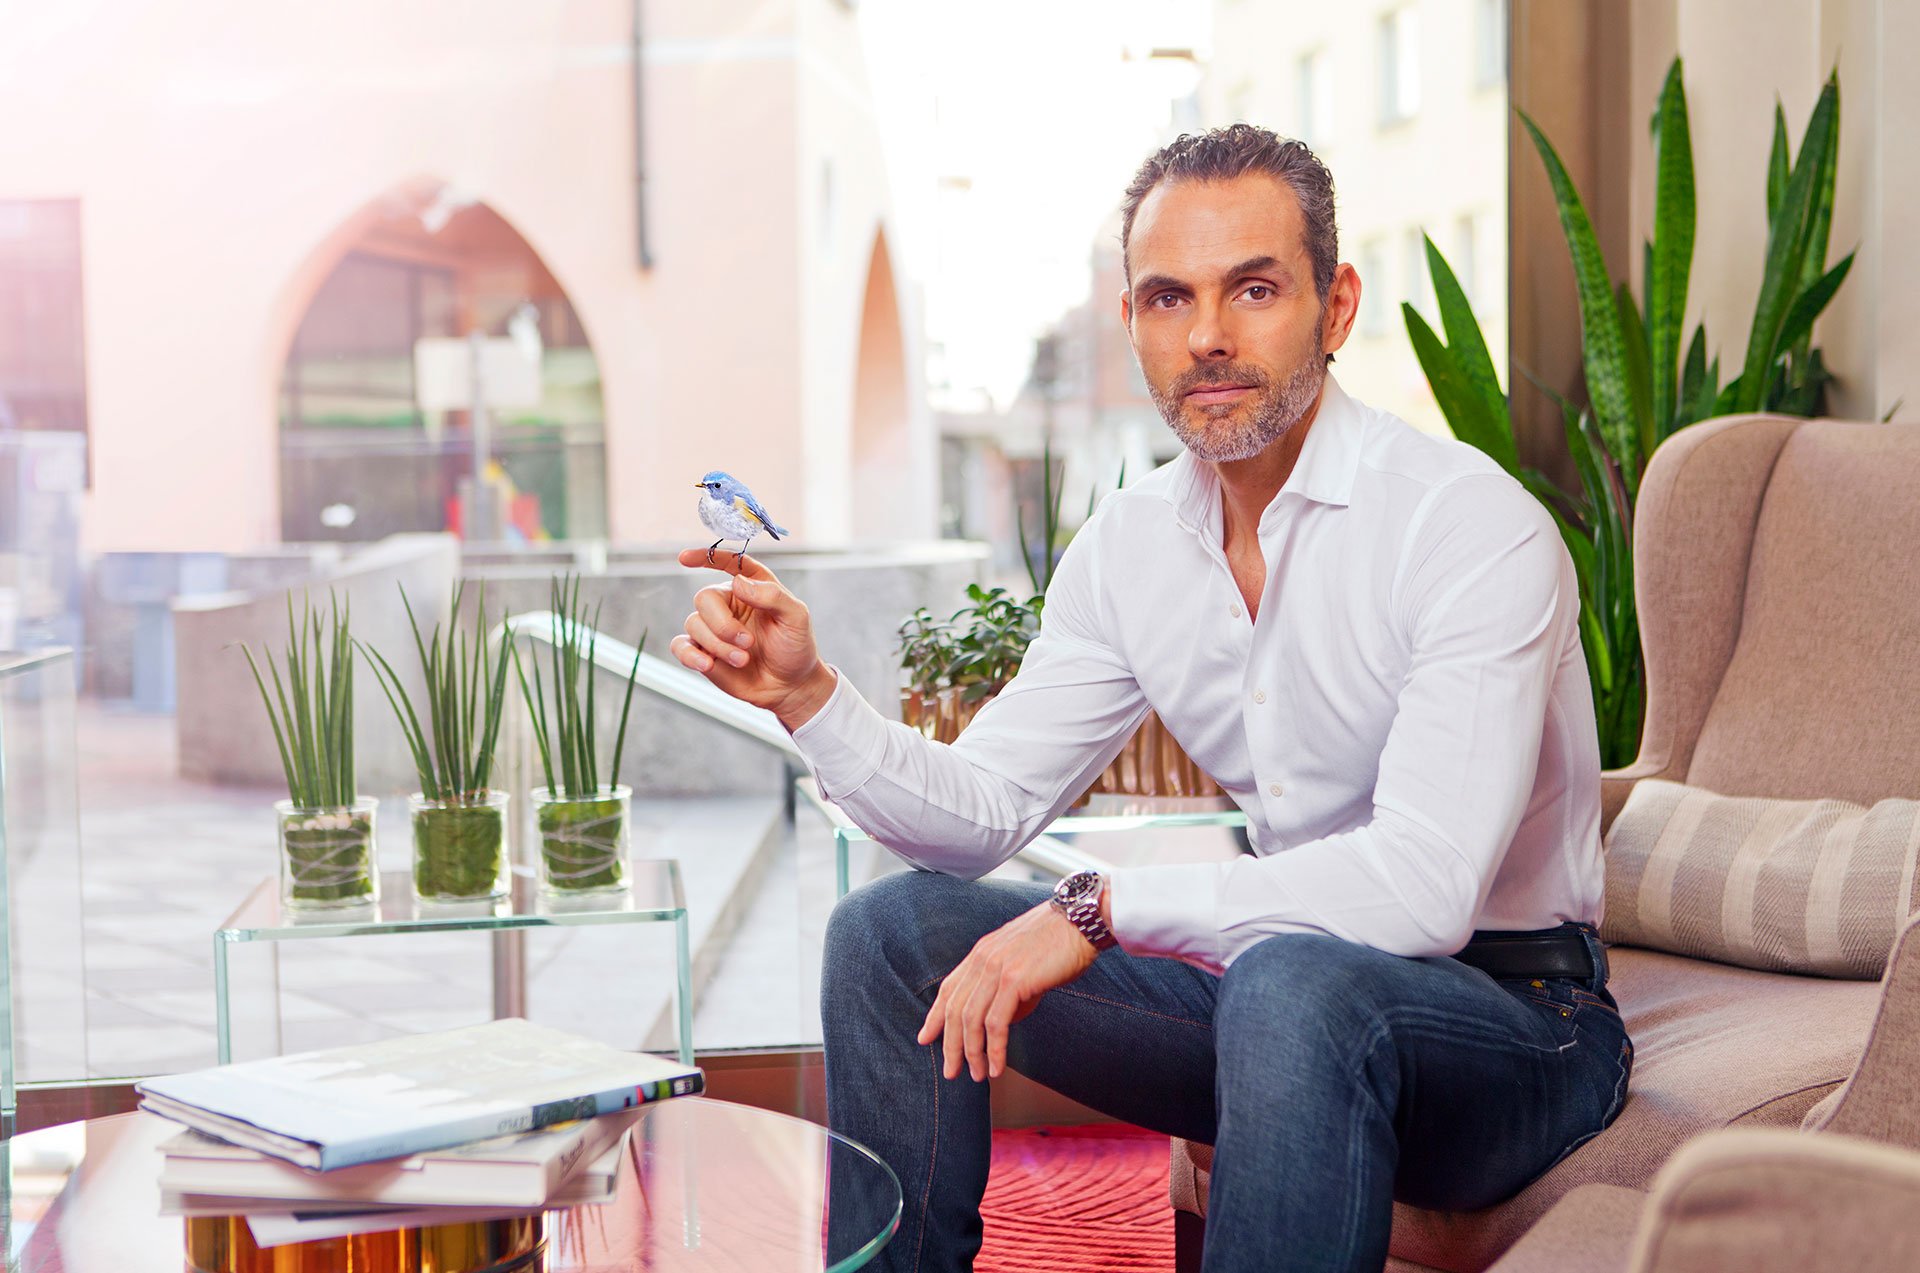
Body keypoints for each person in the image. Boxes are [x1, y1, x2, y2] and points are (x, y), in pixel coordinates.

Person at [671, 124, 1631, 1273]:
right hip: (1275, 1009)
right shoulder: (1129, 548)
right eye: (1171, 298)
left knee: (1291, 982)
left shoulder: (1463, 525)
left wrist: (1099, 909)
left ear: (1335, 309)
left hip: (1518, 1027)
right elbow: (983, 808)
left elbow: (1425, 888)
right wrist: (809, 695)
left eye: (1255, 289)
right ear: (1131, 322)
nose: (1209, 336)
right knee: (889, 933)